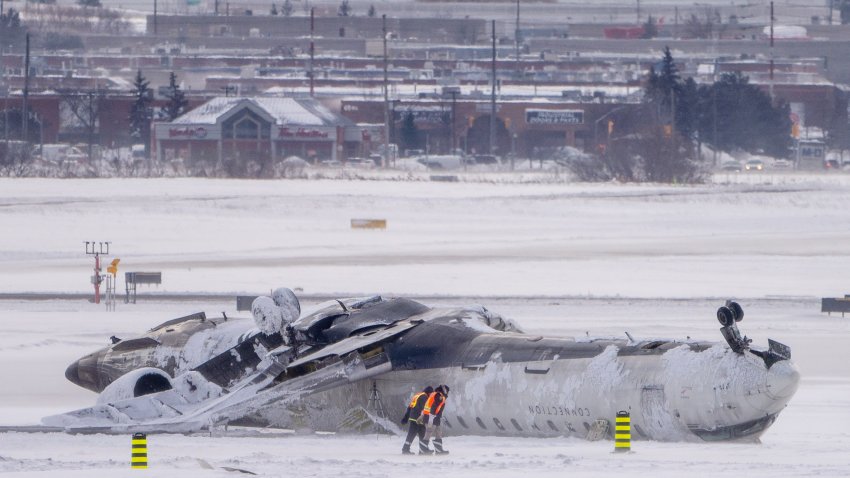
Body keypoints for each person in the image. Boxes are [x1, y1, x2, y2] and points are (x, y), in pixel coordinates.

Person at [400, 385, 433, 455]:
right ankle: (405, 449)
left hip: (415, 417)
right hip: (418, 418)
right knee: (412, 434)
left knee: (422, 434)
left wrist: (406, 418)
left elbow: (409, 407)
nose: (431, 395)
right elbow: (425, 409)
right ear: (429, 392)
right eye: (431, 393)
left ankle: (423, 450)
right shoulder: (424, 397)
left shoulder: (417, 395)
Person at [421, 384, 450, 455]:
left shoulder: (440, 395)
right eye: (447, 391)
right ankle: (423, 449)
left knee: (438, 432)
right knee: (429, 432)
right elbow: (433, 406)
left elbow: (439, 406)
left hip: (435, 417)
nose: (448, 393)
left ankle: (438, 449)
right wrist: (431, 417)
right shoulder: (437, 395)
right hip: (430, 417)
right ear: (444, 390)